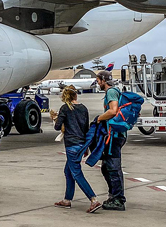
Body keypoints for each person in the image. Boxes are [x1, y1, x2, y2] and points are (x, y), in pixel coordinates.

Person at [50, 85, 102, 213]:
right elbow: (85, 129)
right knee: (68, 172)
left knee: (77, 173)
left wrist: (55, 118)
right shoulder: (83, 108)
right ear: (76, 95)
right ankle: (67, 200)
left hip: (71, 145)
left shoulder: (65, 108)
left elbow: (57, 127)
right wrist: (86, 147)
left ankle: (93, 199)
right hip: (81, 144)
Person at [95, 70, 127, 211]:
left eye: (98, 81)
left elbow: (113, 111)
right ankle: (113, 195)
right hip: (114, 134)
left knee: (113, 167)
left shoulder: (111, 92)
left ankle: (118, 199)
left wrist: (99, 118)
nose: (98, 83)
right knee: (106, 167)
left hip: (114, 135)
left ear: (103, 80)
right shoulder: (114, 91)